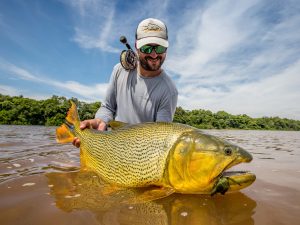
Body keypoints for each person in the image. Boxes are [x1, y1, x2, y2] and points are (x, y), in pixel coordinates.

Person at [73, 18, 178, 147]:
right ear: (136, 47)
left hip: (142, 154)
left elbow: (161, 138)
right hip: (111, 147)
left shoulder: (169, 91)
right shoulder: (119, 70)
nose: (155, 55)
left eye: (160, 48)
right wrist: (101, 120)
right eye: (147, 48)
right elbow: (108, 107)